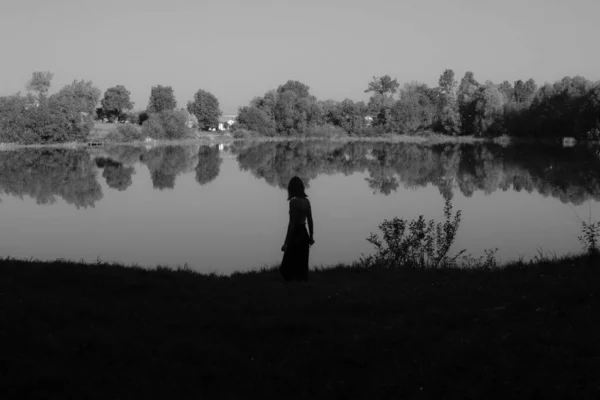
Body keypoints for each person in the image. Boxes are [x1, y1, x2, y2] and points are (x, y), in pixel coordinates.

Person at [280, 176, 314, 282]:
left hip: (296, 234)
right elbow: (310, 220)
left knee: (286, 267)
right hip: (304, 233)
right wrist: (311, 236)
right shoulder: (307, 201)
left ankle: (291, 288)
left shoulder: (293, 202)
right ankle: (301, 287)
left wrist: (286, 243)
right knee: (302, 263)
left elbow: (292, 223)